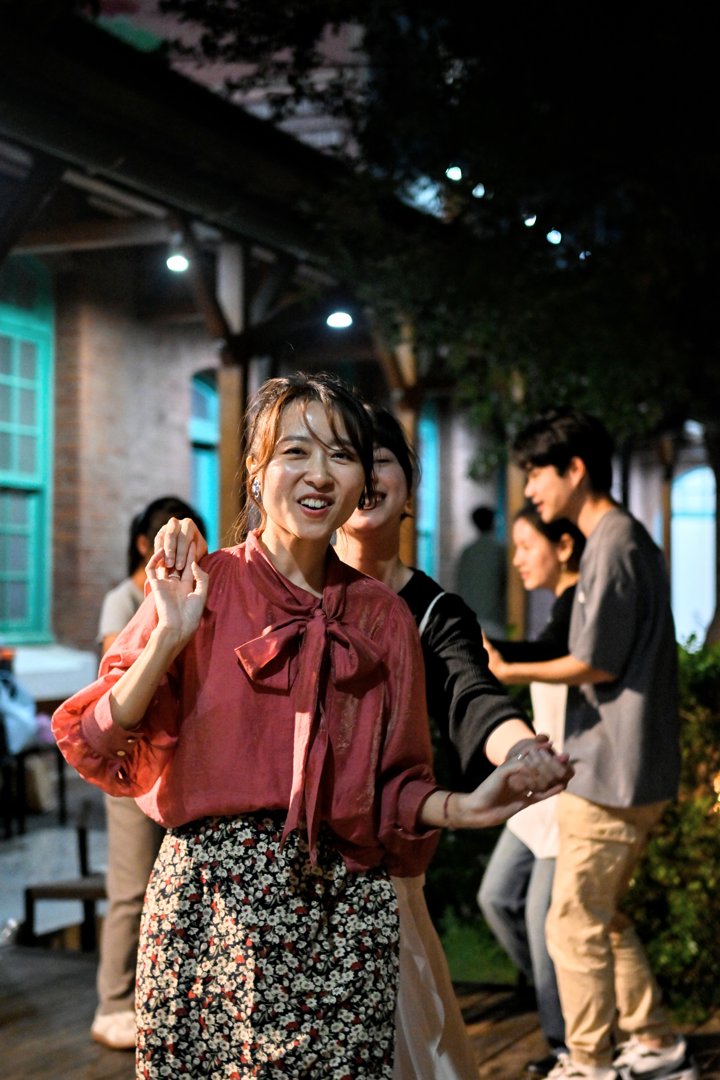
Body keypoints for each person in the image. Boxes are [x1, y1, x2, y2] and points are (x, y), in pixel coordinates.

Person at [52, 372, 566, 1079]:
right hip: (211, 906)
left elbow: (394, 786)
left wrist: (469, 805)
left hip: (343, 912)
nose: (320, 474)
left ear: (364, 482)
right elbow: (98, 739)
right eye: (295, 452)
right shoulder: (204, 584)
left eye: (342, 455)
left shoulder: (384, 617)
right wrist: (169, 635)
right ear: (255, 471)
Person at [496, 406, 697, 1080]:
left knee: (571, 921)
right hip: (625, 768)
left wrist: (509, 669)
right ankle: (657, 1044)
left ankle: (587, 1060)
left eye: (537, 473)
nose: (530, 489)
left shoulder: (611, 543)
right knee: (601, 916)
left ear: (575, 470)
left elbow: (597, 661)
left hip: (611, 770)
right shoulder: (618, 538)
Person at [91, 495, 207, 1051]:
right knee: (130, 885)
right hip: (130, 758)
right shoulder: (124, 599)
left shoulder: (200, 589)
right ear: (145, 543)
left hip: (177, 760)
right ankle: (113, 1001)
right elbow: (114, 677)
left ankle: (161, 1002)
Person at [479, 503, 586, 1077]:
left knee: (549, 925)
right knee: (496, 899)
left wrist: (503, 659)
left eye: (526, 546)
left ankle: (567, 1044)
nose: (517, 559)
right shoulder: (557, 609)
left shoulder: (581, 606)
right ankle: (563, 1003)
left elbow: (555, 658)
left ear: (563, 547)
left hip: (567, 791)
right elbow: (539, 654)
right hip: (538, 795)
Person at [454, 504, 508, 638]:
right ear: (493, 523)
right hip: (496, 621)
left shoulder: (467, 552)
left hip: (470, 620)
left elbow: (460, 585)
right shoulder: (500, 551)